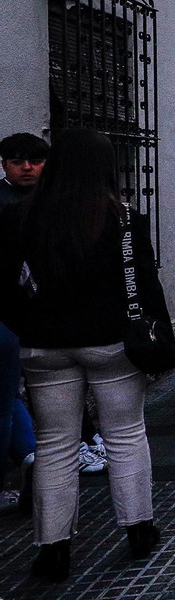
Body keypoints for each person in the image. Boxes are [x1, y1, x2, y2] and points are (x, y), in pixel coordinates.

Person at [0, 130, 165, 580]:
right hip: (112, 343)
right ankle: (139, 529)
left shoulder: (19, 218)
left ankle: (52, 549)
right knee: (126, 434)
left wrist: (28, 327)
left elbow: (6, 288)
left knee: (55, 444)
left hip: (44, 347)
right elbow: (144, 284)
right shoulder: (124, 219)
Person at [0, 133, 46, 510]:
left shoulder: (54, 199)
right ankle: (30, 458)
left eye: (34, 160)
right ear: (4, 165)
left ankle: (29, 459)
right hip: (11, 314)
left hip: (38, 316)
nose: (27, 168)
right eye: (17, 161)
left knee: (8, 397)